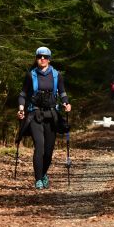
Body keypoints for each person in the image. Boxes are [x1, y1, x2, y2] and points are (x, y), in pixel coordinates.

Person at [17, 46, 71, 190]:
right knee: (39, 148)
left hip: (51, 115)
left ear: (49, 59)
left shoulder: (56, 75)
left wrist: (66, 103)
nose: (42, 59)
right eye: (40, 56)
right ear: (36, 59)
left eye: (45, 57)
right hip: (35, 115)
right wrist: (21, 109)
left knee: (48, 151)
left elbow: (62, 93)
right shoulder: (31, 75)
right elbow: (23, 94)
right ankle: (38, 179)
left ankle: (43, 174)